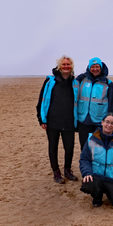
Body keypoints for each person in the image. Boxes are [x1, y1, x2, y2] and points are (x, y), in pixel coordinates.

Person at [36, 55, 79, 184]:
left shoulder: (75, 82)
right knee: (53, 147)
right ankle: (56, 172)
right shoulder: (50, 81)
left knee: (70, 147)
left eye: (68, 64)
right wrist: (41, 119)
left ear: (71, 67)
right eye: (64, 64)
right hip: (53, 121)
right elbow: (41, 100)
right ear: (60, 66)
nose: (66, 66)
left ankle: (67, 170)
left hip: (69, 121)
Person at [79, 113, 113, 213]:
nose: (109, 125)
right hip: (96, 176)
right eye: (107, 122)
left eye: (112, 123)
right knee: (88, 183)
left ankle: (111, 193)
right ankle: (97, 197)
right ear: (102, 122)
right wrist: (87, 172)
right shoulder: (91, 139)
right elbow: (84, 159)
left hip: (112, 179)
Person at [75, 57, 113, 150]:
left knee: (99, 147)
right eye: (92, 67)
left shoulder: (108, 83)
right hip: (83, 119)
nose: (95, 69)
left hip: (99, 121)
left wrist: (112, 118)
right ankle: (86, 164)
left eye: (97, 66)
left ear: (101, 68)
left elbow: (112, 102)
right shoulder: (81, 80)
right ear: (89, 68)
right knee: (85, 147)